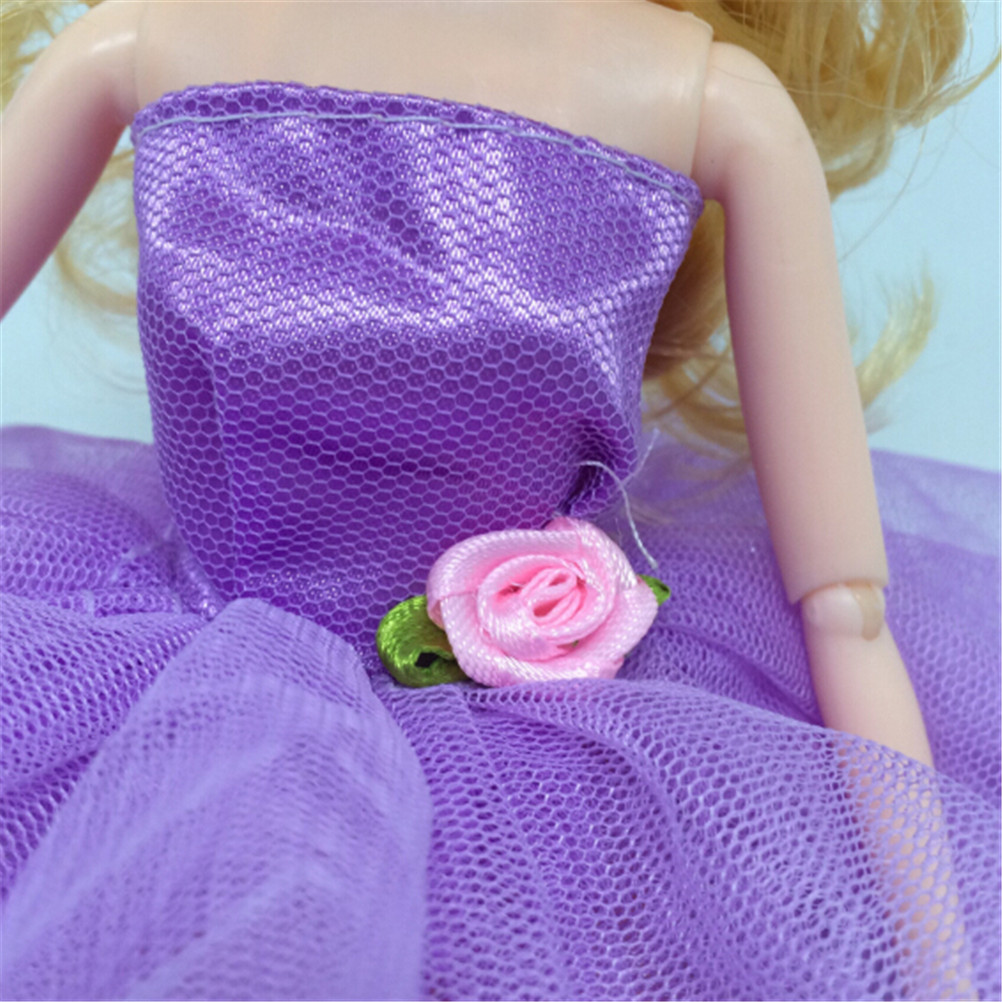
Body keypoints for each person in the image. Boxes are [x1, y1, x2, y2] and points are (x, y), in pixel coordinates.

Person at [1, 2, 998, 998]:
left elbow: (846, 610)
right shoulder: (142, 40)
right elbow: (845, 613)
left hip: (539, 761)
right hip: (175, 697)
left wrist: (935, 957)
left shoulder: (708, 100)